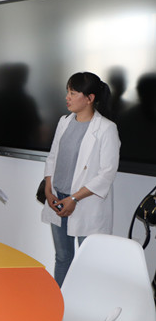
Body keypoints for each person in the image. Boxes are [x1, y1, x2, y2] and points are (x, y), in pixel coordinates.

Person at [41, 71, 120, 287]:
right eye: (67, 92)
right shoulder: (64, 122)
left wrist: (74, 198)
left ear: (89, 98)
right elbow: (52, 157)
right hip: (58, 199)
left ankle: (84, 305)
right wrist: (48, 189)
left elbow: (107, 172)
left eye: (73, 93)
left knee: (89, 262)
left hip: (85, 202)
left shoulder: (106, 128)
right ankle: (60, 303)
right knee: (62, 257)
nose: (67, 97)